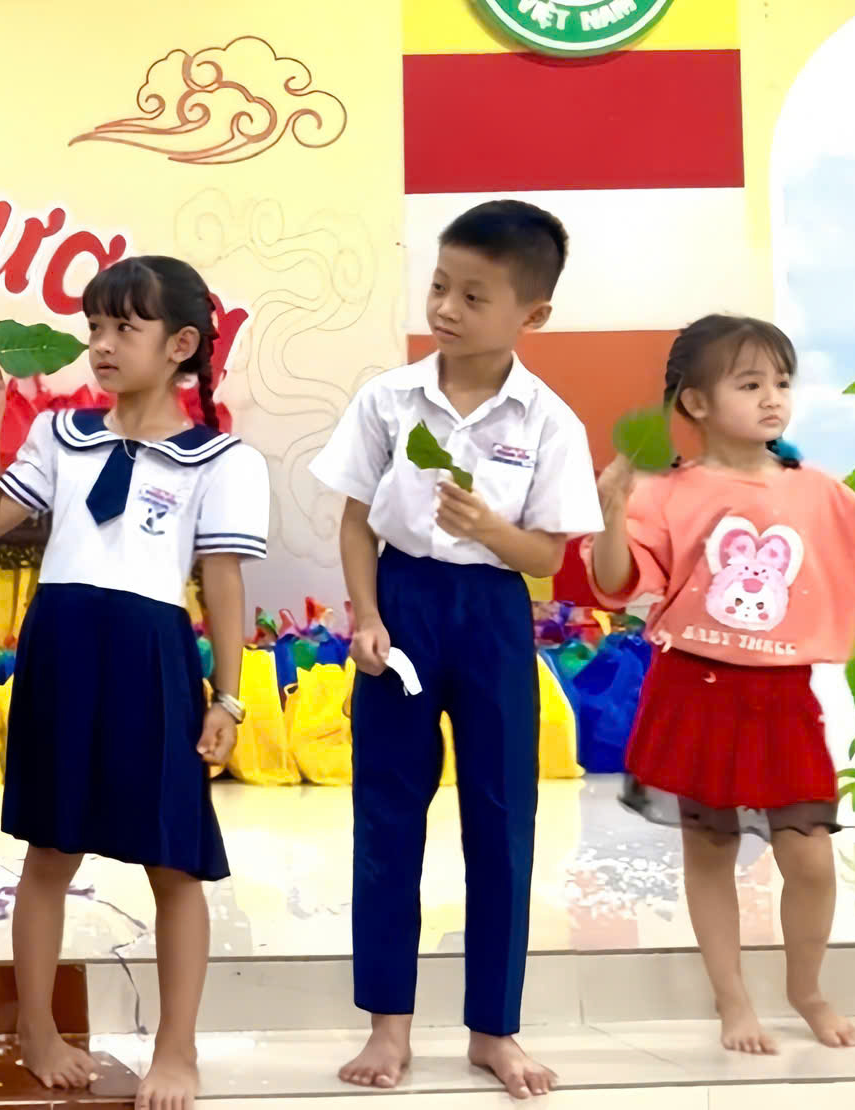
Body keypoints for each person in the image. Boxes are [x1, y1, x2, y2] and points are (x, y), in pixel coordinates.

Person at [310, 200, 600, 1100]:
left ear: (531, 314)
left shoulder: (549, 421)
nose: (445, 308)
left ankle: (493, 1030)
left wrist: (490, 529)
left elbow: (546, 557)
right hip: (401, 606)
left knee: (502, 821)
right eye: (440, 286)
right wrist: (366, 616)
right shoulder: (388, 400)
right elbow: (356, 521)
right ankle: (387, 1026)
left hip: (493, 612)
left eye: (474, 296)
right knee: (387, 817)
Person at [0, 256, 266, 1110]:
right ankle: (36, 1028)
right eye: (94, 327)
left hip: (152, 658)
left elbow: (223, 584)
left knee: (175, 863)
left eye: (123, 328)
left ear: (180, 345)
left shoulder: (222, 460)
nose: (101, 344)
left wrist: (228, 698)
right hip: (62, 650)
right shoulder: (61, 435)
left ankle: (176, 1048)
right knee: (49, 852)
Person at [589, 314, 855, 1055]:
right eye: (750, 384)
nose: (773, 398)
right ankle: (733, 1001)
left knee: (810, 858)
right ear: (695, 402)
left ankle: (805, 988)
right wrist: (613, 511)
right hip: (693, 691)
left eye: (781, 382)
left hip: (782, 699)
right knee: (710, 851)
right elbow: (617, 584)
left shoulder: (821, 494)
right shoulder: (666, 493)